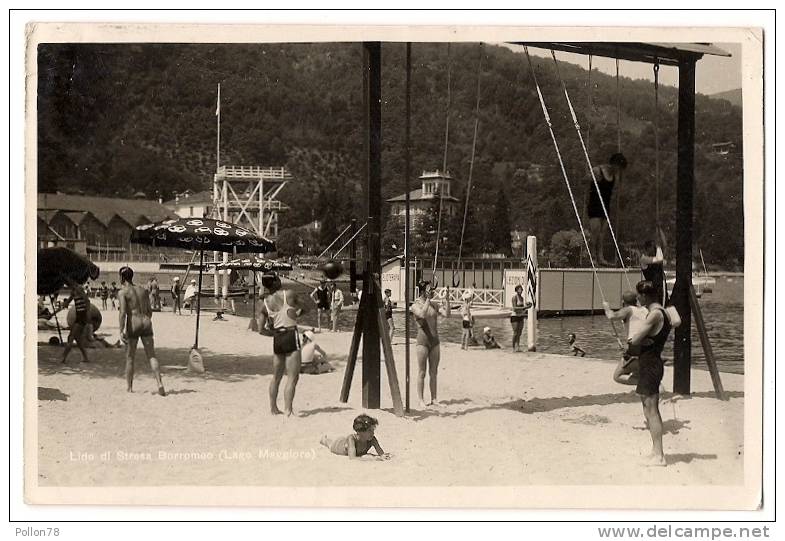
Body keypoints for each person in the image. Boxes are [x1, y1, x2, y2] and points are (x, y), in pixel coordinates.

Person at [629, 280, 674, 467]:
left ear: (645, 295)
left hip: (651, 364)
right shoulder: (664, 312)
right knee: (648, 409)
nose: (637, 299)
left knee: (652, 411)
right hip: (651, 362)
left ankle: (659, 455)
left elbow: (635, 340)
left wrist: (641, 338)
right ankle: (656, 451)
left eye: (638, 296)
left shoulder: (654, 315)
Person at [258, 270, 309, 416]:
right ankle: (288, 410)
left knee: (276, 376)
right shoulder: (289, 294)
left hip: (278, 338)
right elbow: (307, 307)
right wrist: (296, 315)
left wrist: (273, 333)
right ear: (276, 281)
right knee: (293, 377)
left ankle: (273, 408)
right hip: (290, 334)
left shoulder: (265, 303)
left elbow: (261, 330)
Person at [117, 266, 165, 396]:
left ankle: (129, 387)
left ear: (122, 277)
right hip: (146, 322)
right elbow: (149, 311)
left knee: (130, 357)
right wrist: (145, 321)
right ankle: (159, 383)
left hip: (134, 323)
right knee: (152, 355)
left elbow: (122, 313)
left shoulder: (123, 292)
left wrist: (121, 330)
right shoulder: (143, 290)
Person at [410, 280, 449, 408]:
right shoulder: (415, 305)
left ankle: (434, 399)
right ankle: (421, 400)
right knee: (422, 372)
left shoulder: (434, 304)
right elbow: (422, 314)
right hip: (422, 342)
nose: (431, 292)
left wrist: (447, 299)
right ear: (423, 291)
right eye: (428, 290)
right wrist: (427, 299)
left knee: (434, 372)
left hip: (435, 342)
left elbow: (447, 314)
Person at [587, 152, 628, 266]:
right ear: (614, 164)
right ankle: (593, 256)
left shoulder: (615, 176)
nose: (619, 171)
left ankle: (600, 257)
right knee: (595, 231)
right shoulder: (598, 171)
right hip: (595, 205)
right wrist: (593, 178)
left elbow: (617, 191)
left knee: (602, 234)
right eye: (618, 168)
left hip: (605, 205)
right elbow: (585, 180)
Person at [604, 291, 650, 385]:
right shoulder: (645, 310)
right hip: (647, 346)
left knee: (617, 376)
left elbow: (611, 316)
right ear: (636, 300)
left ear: (623, 302)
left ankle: (649, 383)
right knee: (638, 373)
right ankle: (647, 384)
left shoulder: (628, 309)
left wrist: (607, 308)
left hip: (635, 347)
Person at [319, 414, 391, 460]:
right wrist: (373, 458)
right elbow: (352, 458)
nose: (372, 433)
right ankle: (324, 439)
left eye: (373, 430)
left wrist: (382, 456)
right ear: (359, 432)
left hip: (345, 441)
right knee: (329, 444)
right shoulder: (352, 439)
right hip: (338, 445)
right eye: (369, 431)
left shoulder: (372, 439)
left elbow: (381, 453)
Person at [61, 279, 91, 364]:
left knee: (71, 336)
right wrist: (64, 304)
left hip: (82, 317)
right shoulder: (74, 290)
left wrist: (87, 314)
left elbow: (87, 301)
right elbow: (68, 301)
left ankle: (63, 357)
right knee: (77, 339)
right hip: (78, 316)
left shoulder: (79, 288)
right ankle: (86, 357)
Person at [640, 240, 667, 305]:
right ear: (648, 248)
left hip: (660, 285)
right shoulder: (644, 259)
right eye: (653, 248)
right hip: (653, 286)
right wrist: (658, 247)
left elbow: (665, 246)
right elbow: (660, 259)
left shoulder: (654, 258)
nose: (655, 250)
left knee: (662, 302)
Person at [510, 284, 532, 352]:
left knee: (519, 332)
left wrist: (527, 307)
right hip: (514, 316)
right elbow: (515, 308)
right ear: (516, 290)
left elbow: (522, 309)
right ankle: (513, 347)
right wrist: (524, 307)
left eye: (521, 289)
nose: (521, 290)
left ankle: (518, 347)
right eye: (519, 289)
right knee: (515, 332)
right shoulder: (514, 297)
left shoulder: (522, 298)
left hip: (521, 316)